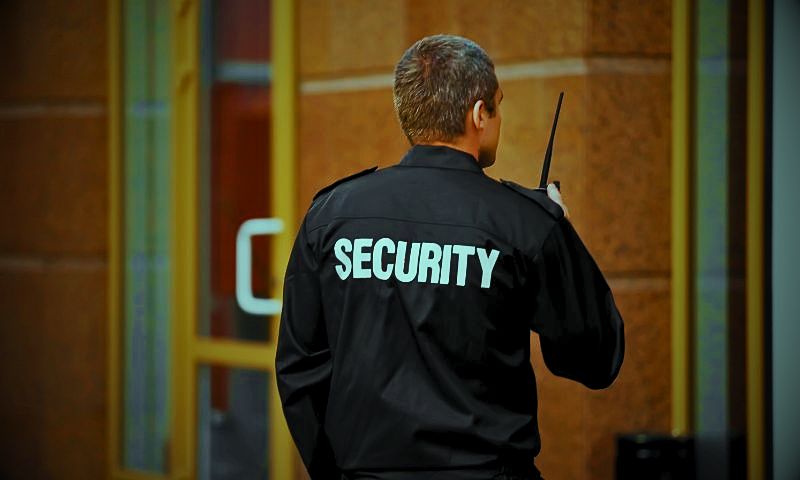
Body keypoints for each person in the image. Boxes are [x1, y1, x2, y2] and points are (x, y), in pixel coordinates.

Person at [276, 34, 625, 480]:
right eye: (498, 106)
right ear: (479, 114)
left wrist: (337, 473)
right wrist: (560, 233)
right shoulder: (525, 222)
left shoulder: (330, 215)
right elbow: (595, 359)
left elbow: (300, 366)